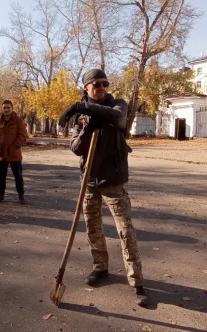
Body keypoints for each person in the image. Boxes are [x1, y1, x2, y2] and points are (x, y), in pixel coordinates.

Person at [58, 68, 148, 307]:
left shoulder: (118, 105)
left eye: (104, 84)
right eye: (95, 84)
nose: (100, 88)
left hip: (114, 181)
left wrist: (83, 107)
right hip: (89, 181)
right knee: (93, 228)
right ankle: (100, 268)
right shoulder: (81, 117)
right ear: (86, 87)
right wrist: (87, 128)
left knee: (125, 231)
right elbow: (76, 147)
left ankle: (137, 281)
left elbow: (118, 118)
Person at [0, 100, 28, 205]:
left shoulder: (18, 120)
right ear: (2, 109)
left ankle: (21, 196)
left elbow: (23, 134)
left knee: (18, 175)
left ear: (12, 108)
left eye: (8, 108)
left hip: (14, 153)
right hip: (0, 153)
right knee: (1, 176)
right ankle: (0, 195)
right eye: (4, 108)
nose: (6, 110)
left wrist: (16, 145)